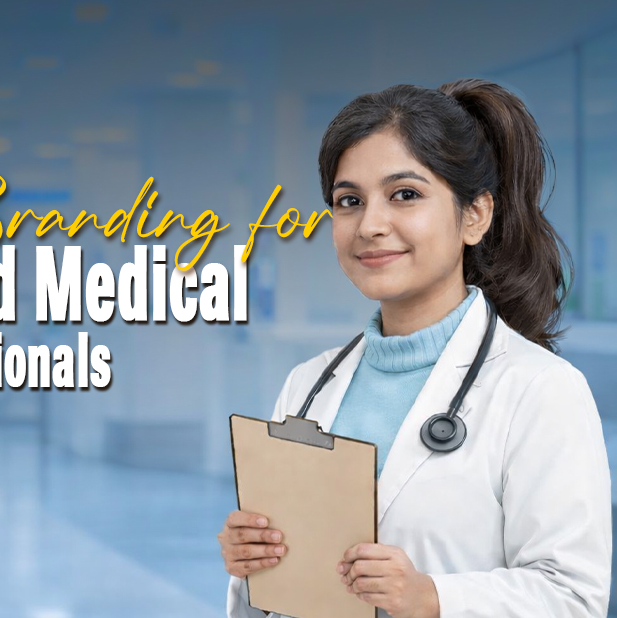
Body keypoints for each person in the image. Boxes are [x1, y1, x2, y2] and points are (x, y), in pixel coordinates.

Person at [218, 79, 612, 618]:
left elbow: (574, 597)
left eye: (405, 194)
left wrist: (433, 598)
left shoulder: (539, 389)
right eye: (349, 201)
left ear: (474, 215)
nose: (371, 225)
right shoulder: (308, 385)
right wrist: (252, 567)